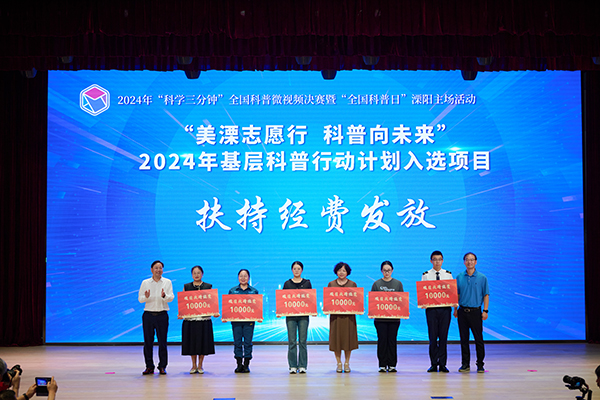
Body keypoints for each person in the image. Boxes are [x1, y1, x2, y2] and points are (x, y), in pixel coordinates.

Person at [454, 252, 489, 373]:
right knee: (464, 339)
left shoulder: (482, 278)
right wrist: (455, 309)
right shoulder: (459, 277)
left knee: (478, 339)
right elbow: (457, 294)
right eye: (467, 260)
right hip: (462, 311)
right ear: (464, 262)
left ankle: (480, 364)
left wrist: (485, 310)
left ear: (476, 262)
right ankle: (465, 364)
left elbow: (486, 295)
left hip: (476, 312)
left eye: (472, 260)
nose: (469, 262)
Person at [138, 260, 174, 375]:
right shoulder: (145, 282)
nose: (158, 270)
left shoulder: (167, 282)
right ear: (151, 270)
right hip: (148, 315)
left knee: (162, 342)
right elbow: (140, 299)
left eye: (160, 268)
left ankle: (162, 366)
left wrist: (164, 296)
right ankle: (149, 366)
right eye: (156, 268)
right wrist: (146, 297)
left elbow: (171, 298)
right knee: (148, 342)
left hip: (162, 315)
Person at [422, 250, 453, 373]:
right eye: (435, 259)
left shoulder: (448, 274)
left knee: (443, 337)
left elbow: (451, 292)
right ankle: (434, 364)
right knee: (433, 337)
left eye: (439, 259)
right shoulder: (426, 275)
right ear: (431, 261)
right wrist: (423, 302)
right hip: (432, 310)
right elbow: (423, 293)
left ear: (442, 261)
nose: (437, 262)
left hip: (445, 310)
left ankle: (443, 364)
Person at [181, 265, 216, 374]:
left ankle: (200, 365)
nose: (196, 275)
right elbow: (183, 303)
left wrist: (215, 312)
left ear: (202, 274)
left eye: (198, 273)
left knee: (202, 343)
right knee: (192, 343)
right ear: (192, 275)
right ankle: (193, 365)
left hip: (204, 320)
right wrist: (181, 313)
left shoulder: (208, 286)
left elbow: (212, 303)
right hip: (191, 320)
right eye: (194, 273)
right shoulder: (187, 287)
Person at [371, 260, 404, 373]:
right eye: (384, 270)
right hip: (380, 319)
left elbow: (401, 301)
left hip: (394, 319)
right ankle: (382, 364)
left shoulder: (398, 284)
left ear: (392, 270)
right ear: (381, 271)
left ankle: (392, 364)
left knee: (392, 341)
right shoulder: (376, 284)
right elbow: (373, 301)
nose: (387, 272)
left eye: (388, 270)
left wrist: (404, 312)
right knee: (382, 341)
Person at [328, 262, 358, 373]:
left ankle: (347, 363)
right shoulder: (331, 284)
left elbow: (356, 301)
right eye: (339, 270)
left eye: (344, 270)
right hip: (336, 318)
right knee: (336, 340)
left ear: (347, 272)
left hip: (348, 318)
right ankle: (338, 363)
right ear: (336, 271)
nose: (341, 272)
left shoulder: (352, 284)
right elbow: (328, 300)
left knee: (347, 340)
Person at [283, 261, 312, 374]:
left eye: (298, 269)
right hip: (291, 316)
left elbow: (310, 299)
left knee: (303, 341)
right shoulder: (287, 284)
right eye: (294, 269)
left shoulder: (307, 283)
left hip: (303, 316)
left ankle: (303, 365)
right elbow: (283, 300)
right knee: (292, 341)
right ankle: (293, 366)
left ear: (302, 270)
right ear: (291, 270)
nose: (296, 271)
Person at [229, 269, 259, 373]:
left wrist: (258, 316)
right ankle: (238, 364)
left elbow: (257, 307)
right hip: (236, 321)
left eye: (245, 276)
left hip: (249, 321)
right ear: (238, 277)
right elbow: (229, 307)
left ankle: (246, 365)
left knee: (248, 342)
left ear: (249, 278)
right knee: (237, 342)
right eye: (241, 276)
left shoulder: (254, 291)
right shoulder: (232, 291)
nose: (243, 278)